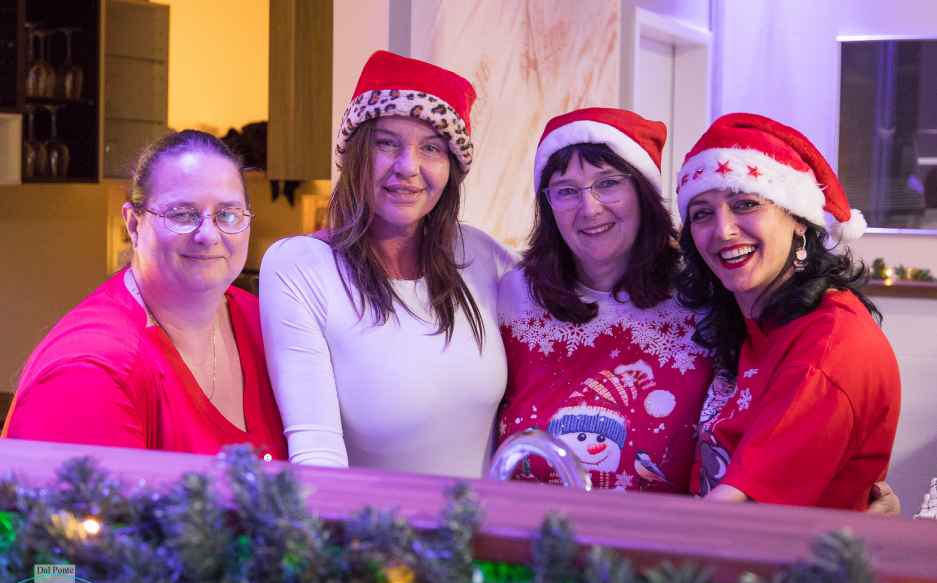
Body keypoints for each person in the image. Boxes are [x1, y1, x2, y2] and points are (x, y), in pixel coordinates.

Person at [260, 51, 514, 477]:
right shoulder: (301, 267)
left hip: (483, 519)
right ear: (355, 153)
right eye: (386, 143)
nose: (407, 167)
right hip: (368, 520)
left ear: (451, 168)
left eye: (431, 147)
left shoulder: (480, 255)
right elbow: (316, 450)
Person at [2, 131, 288, 460]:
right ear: (134, 225)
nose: (208, 235)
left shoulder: (266, 324)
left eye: (227, 214)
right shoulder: (89, 374)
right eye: (182, 214)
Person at [673, 113, 900, 510]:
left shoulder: (831, 345)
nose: (723, 230)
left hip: (772, 550)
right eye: (702, 213)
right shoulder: (744, 319)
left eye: (746, 204)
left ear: (799, 220)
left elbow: (737, 512)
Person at [497, 108, 713, 492]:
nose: (590, 208)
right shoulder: (513, 295)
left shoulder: (702, 296)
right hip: (527, 524)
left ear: (643, 193)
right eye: (566, 191)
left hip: (663, 529)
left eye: (608, 183)